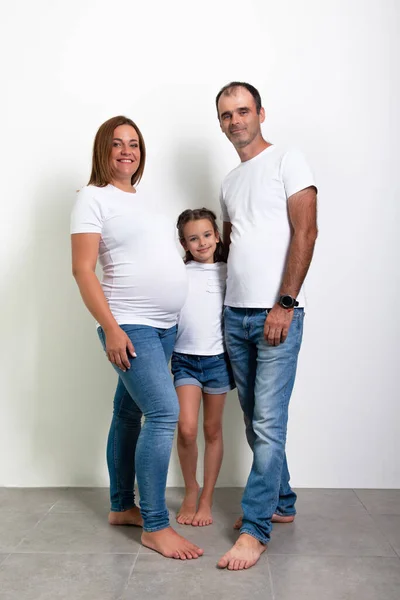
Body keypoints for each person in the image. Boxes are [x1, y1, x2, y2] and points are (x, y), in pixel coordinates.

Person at [70, 115, 203, 560]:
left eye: (134, 144)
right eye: (117, 144)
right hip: (130, 325)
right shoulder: (92, 198)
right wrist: (111, 328)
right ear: (102, 150)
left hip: (165, 327)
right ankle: (155, 526)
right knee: (164, 414)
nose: (127, 151)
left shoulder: (145, 200)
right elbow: (82, 269)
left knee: (128, 415)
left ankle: (121, 506)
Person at [215, 82, 318, 570]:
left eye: (242, 111)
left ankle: (255, 530)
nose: (235, 121)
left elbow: (307, 230)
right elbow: (233, 245)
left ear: (260, 113)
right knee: (256, 418)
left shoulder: (288, 160)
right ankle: (282, 502)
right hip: (235, 314)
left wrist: (284, 302)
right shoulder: (230, 182)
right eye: (226, 115)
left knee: (268, 422)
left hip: (277, 312)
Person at [172, 208, 235, 527]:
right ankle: (190, 488)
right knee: (186, 428)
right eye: (193, 238)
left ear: (217, 236)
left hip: (218, 362)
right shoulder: (178, 272)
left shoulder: (228, 271)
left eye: (207, 235)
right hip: (184, 358)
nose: (202, 243)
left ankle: (207, 497)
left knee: (212, 430)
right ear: (184, 243)